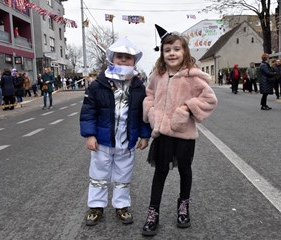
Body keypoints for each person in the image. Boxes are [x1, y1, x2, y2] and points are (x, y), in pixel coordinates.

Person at [141, 24, 218, 236]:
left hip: (184, 134)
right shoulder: (157, 75)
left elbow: (209, 99)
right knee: (160, 172)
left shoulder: (193, 76)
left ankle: (183, 207)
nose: (172, 53)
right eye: (167, 50)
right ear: (162, 53)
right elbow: (148, 95)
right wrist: (152, 112)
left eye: (176, 49)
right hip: (162, 133)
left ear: (184, 52)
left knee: (185, 170)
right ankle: (153, 212)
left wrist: (187, 108)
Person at [79, 37, 151, 226]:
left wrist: (145, 135)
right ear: (112, 58)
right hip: (103, 140)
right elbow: (88, 111)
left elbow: (144, 113)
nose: (124, 60)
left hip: (127, 141)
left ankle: (121, 206)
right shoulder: (98, 84)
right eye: (120, 56)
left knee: (123, 175)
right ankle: (96, 207)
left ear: (134, 61)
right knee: (98, 175)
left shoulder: (138, 86)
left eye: (128, 57)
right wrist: (89, 134)